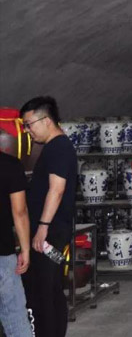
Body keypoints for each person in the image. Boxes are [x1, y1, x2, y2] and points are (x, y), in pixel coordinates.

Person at [19, 96, 77, 337]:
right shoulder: (55, 147)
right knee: (51, 287)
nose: (27, 130)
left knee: (43, 289)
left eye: (29, 124)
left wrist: (42, 227)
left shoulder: (58, 147)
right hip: (53, 231)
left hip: (49, 233)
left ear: (46, 120)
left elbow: (57, 189)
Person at [1, 131, 32, 337]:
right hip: (3, 254)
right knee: (15, 318)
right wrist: (25, 249)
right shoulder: (11, 165)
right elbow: (20, 212)